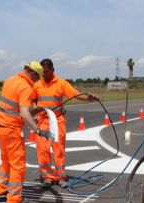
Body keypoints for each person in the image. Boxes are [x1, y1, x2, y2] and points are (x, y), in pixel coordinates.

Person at [33, 58, 99, 188]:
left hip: (57, 120)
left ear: (53, 70)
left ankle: (61, 177)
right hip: (42, 120)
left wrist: (89, 98)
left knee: (59, 150)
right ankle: (47, 177)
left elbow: (76, 95)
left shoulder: (61, 83)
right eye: (42, 72)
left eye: (46, 72)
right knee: (43, 150)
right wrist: (35, 111)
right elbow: (33, 99)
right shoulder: (37, 84)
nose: (44, 74)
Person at [0, 61, 50, 203]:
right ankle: (14, 197)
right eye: (37, 78)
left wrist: (31, 113)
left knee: (6, 159)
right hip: (11, 129)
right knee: (17, 163)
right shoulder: (26, 87)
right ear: (32, 73)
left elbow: (14, 107)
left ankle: (0, 188)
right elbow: (24, 113)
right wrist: (37, 130)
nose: (37, 81)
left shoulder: (10, 80)